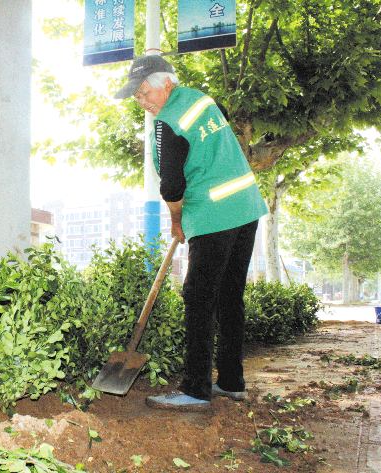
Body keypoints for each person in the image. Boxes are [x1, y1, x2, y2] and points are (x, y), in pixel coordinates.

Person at [114, 55, 268, 410]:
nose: (141, 102)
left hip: (214, 214)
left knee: (198, 296)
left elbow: (171, 186)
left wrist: (176, 221)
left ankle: (195, 389)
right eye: (136, 97)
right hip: (246, 207)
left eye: (143, 93)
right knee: (230, 295)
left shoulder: (166, 123)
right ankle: (231, 382)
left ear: (166, 84)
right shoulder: (201, 99)